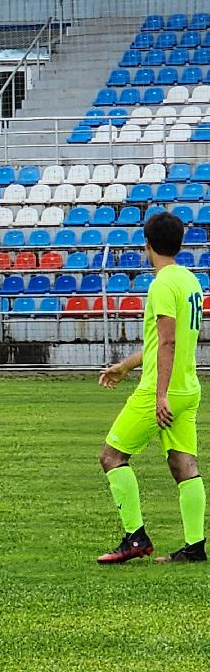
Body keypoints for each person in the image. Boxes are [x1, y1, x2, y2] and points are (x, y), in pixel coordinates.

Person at [96, 210, 204, 564]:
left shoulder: (161, 285)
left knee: (112, 457)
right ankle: (194, 546)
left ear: (147, 244)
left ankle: (135, 538)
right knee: (183, 462)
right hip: (189, 388)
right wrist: (125, 366)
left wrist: (159, 394)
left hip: (164, 389)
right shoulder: (190, 281)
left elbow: (168, 342)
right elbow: (165, 341)